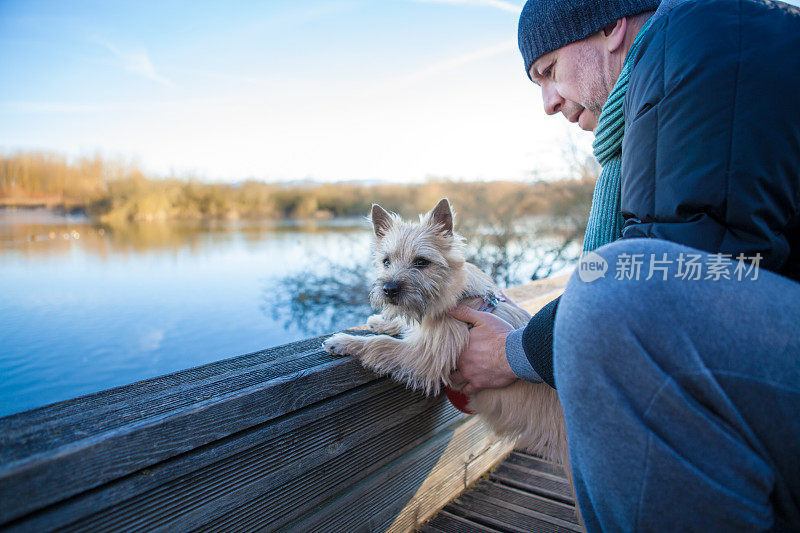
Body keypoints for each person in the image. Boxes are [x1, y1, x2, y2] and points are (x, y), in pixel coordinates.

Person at [447, 0, 800, 530]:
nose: (548, 102)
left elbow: (676, 280)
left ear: (611, 28)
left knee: (612, 298)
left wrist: (512, 351)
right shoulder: (689, 66)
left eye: (549, 72)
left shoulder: (703, 31)